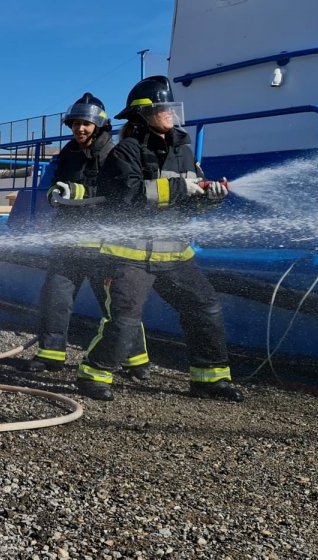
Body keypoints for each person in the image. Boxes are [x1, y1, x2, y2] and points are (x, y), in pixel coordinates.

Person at [76, 76, 242, 402]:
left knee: (204, 307)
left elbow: (192, 198)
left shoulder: (183, 149)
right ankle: (93, 374)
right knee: (124, 320)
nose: (172, 115)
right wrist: (182, 188)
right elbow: (129, 196)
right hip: (131, 254)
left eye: (173, 108)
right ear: (144, 114)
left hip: (175, 252)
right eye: (165, 108)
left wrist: (211, 196)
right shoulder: (125, 151)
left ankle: (209, 380)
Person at [23, 93, 151, 379]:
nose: (79, 129)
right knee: (55, 297)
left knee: (117, 306)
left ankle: (136, 361)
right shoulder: (67, 154)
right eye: (75, 124)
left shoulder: (115, 155)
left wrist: (82, 194)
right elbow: (50, 186)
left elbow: (123, 195)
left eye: (86, 124)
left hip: (104, 248)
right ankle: (51, 355)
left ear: (99, 125)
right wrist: (55, 193)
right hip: (67, 243)